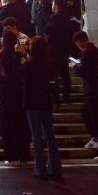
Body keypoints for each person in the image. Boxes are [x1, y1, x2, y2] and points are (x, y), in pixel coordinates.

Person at [20, 36, 62, 179]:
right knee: (49, 135)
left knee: (36, 136)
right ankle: (55, 167)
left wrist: (22, 55)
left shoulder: (28, 65)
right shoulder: (48, 64)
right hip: (45, 101)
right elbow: (54, 83)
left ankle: (40, 169)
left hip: (32, 102)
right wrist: (56, 100)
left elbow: (17, 75)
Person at [0, 30, 31, 166]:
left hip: (4, 93)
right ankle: (24, 155)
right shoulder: (19, 55)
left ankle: (11, 156)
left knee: (7, 124)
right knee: (21, 123)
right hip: (19, 93)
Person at [72, 31, 98, 161]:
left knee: (97, 119)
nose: (78, 45)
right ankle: (96, 138)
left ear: (80, 41)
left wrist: (74, 67)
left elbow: (84, 71)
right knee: (86, 112)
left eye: (77, 43)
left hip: (92, 90)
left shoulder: (87, 52)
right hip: (97, 88)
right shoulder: (95, 50)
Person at [44, 0, 77, 104]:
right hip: (65, 49)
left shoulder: (55, 17)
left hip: (55, 49)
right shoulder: (68, 17)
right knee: (65, 74)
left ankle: (56, 97)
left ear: (57, 6)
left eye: (53, 4)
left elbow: (47, 30)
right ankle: (66, 97)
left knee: (54, 74)